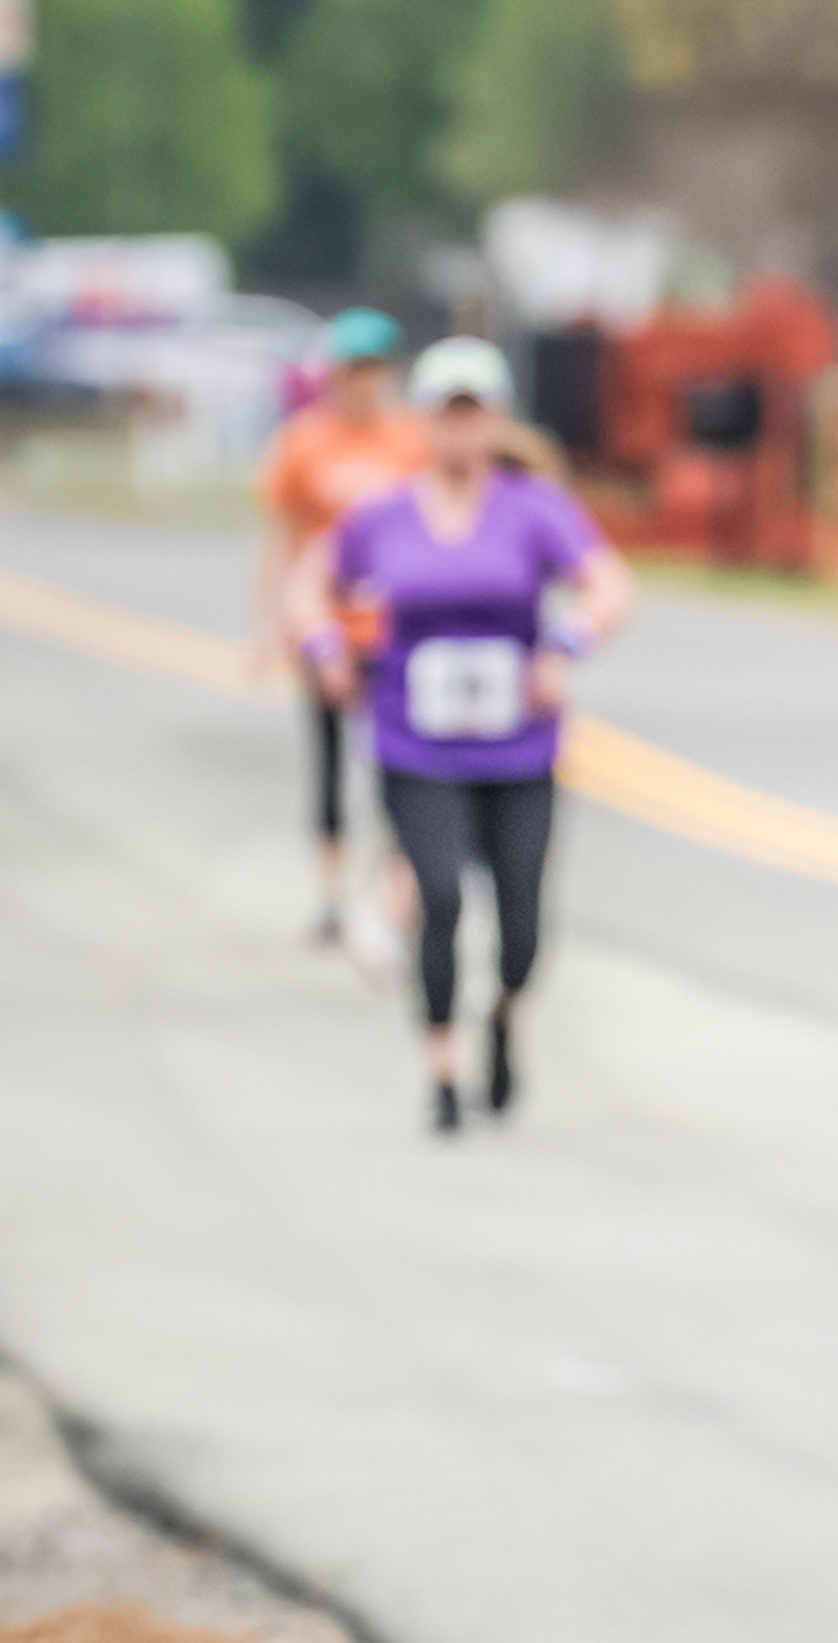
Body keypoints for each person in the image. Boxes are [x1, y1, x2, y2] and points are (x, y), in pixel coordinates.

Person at [285, 336, 629, 1134]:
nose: (460, 428)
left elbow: (609, 585)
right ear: (424, 420)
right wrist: (324, 647)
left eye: (474, 413)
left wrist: (567, 644)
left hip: (519, 746)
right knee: (437, 893)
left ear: (497, 419)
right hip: (417, 741)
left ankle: (502, 1011)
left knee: (521, 930)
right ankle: (442, 1068)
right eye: (446, 412)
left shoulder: (534, 509)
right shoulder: (383, 516)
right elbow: (311, 585)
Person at [253, 307, 422, 946]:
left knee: (399, 766)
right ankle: (330, 896)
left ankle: (395, 893)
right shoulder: (304, 442)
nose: (364, 382)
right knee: (327, 762)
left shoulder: (411, 441)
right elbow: (278, 537)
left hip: (394, 627)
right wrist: (267, 623)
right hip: (323, 626)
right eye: (354, 369)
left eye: (374, 369)